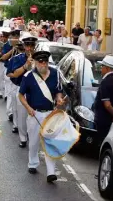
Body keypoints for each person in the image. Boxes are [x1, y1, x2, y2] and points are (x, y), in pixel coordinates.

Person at [18, 51, 65, 182]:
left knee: (50, 141)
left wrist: (59, 99)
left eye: (45, 61)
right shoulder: (28, 76)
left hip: (50, 113)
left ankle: (51, 172)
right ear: (35, 62)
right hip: (35, 113)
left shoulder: (55, 74)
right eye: (40, 61)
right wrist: (28, 108)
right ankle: (32, 163)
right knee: (33, 142)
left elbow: (58, 91)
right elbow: (21, 95)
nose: (43, 64)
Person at [7, 36, 37, 147]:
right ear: (24, 46)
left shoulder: (39, 58)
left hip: (35, 90)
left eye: (32, 46)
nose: (29, 48)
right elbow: (14, 74)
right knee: (21, 114)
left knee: (35, 115)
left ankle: (32, 135)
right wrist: (26, 65)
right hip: (21, 89)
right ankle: (23, 137)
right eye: (27, 45)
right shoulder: (17, 58)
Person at [92, 56, 113, 145]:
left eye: (102, 67)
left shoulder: (105, 82)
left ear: (107, 68)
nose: (101, 69)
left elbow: (107, 104)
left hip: (104, 121)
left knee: (102, 143)